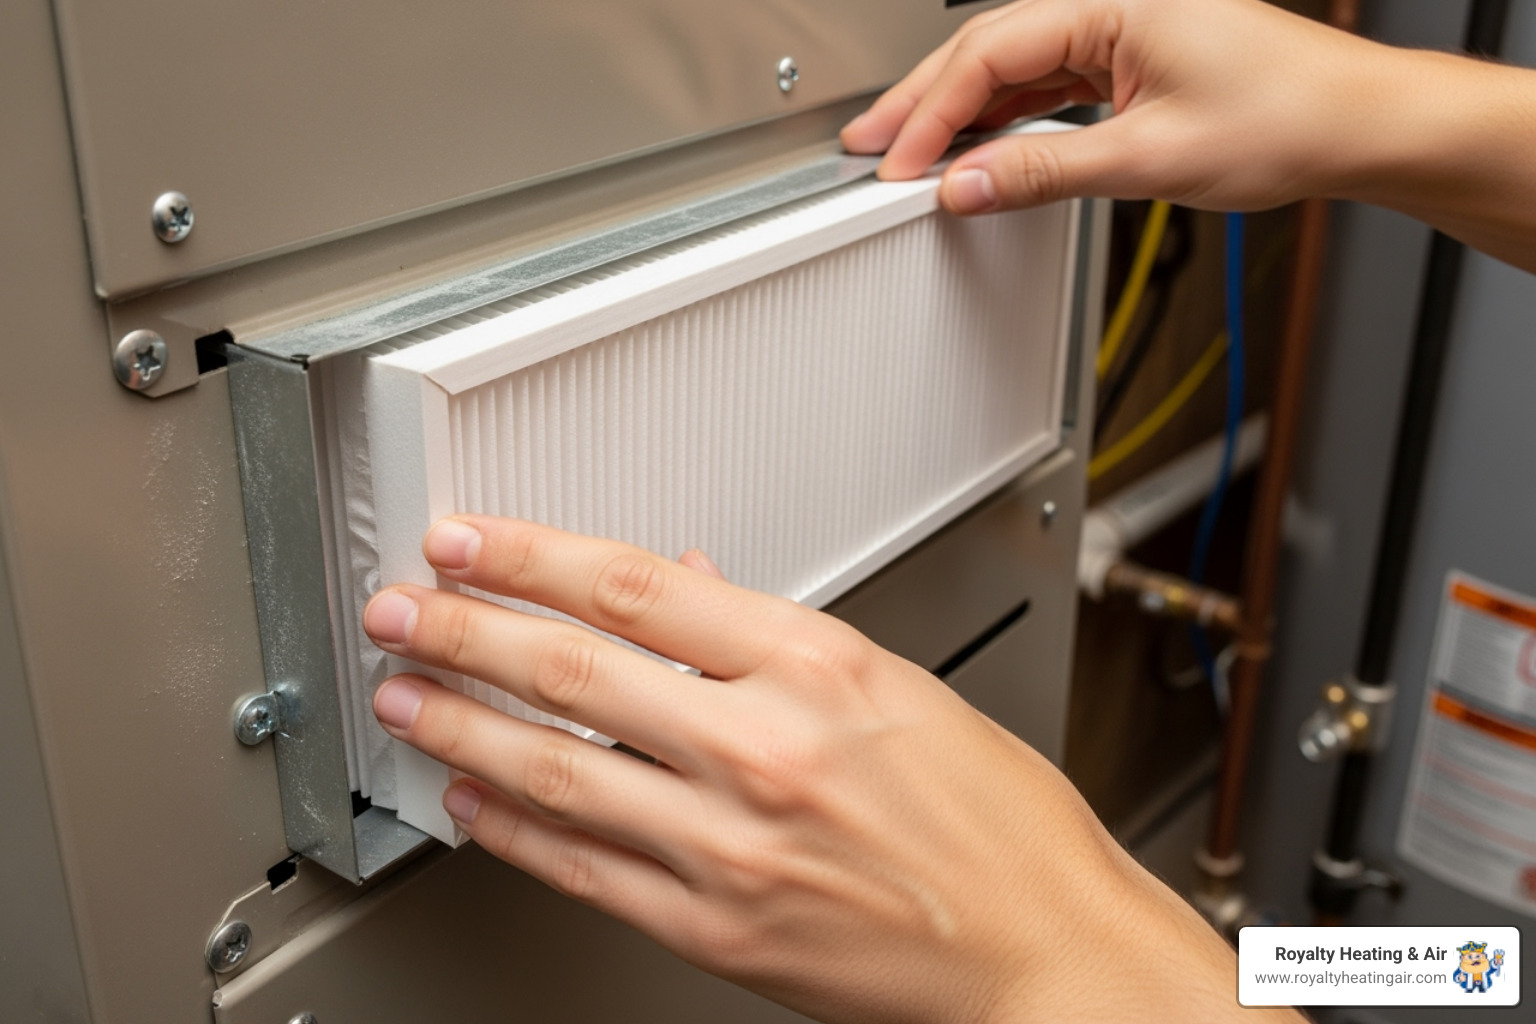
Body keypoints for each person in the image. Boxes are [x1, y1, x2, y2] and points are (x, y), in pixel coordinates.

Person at [361, 1, 1536, 1019]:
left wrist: (1058, 960)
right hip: (1466, 968)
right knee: (1470, 964)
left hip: (1458, 969)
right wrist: (1399, 115)